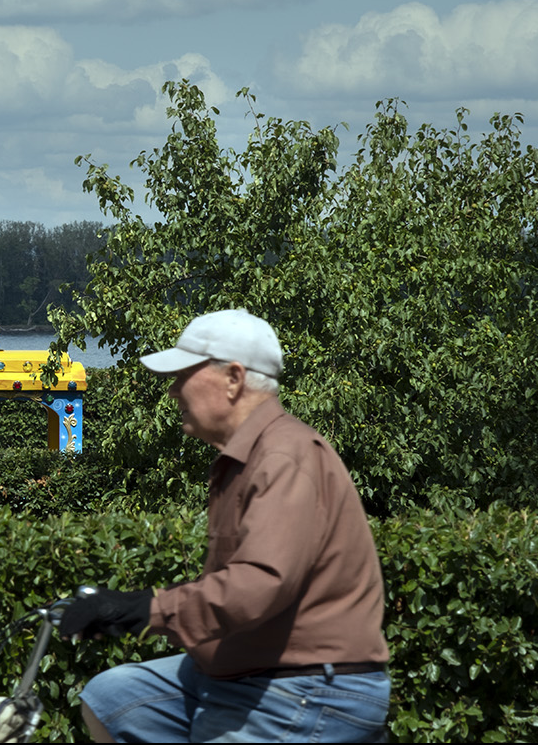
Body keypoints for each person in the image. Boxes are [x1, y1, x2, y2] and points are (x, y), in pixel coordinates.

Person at [59, 309, 390, 743]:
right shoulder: (246, 457)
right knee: (111, 699)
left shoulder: (283, 457)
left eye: (183, 374)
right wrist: (128, 608)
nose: (173, 389)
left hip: (308, 685)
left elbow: (258, 584)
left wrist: (150, 608)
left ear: (234, 378)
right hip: (240, 672)